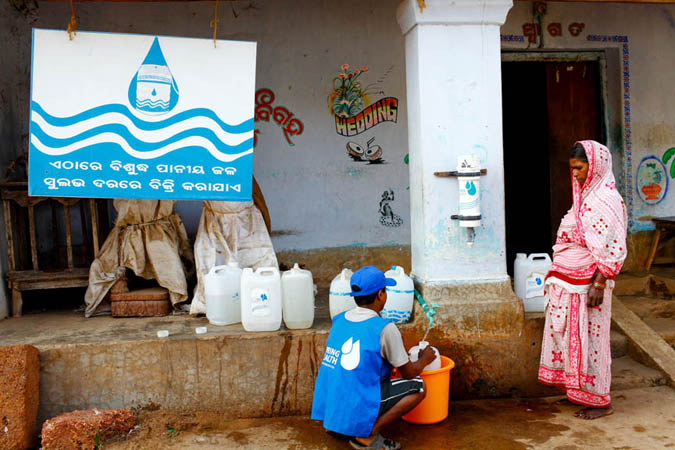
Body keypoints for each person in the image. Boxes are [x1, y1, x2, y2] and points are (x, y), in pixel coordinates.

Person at [538, 140, 627, 419]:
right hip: (568, 282)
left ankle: (600, 400)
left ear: (595, 166)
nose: (574, 173)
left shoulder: (605, 200)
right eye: (572, 168)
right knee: (569, 338)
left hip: (590, 285)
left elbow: (612, 246)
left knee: (592, 341)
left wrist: (600, 282)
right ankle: (576, 391)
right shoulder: (585, 198)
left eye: (579, 167)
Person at [312, 266, 436, 450]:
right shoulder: (384, 328)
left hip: (333, 402)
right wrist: (425, 359)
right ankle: (368, 435)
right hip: (357, 398)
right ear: (380, 295)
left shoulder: (340, 320)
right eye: (385, 290)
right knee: (419, 387)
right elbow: (409, 372)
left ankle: (339, 426)